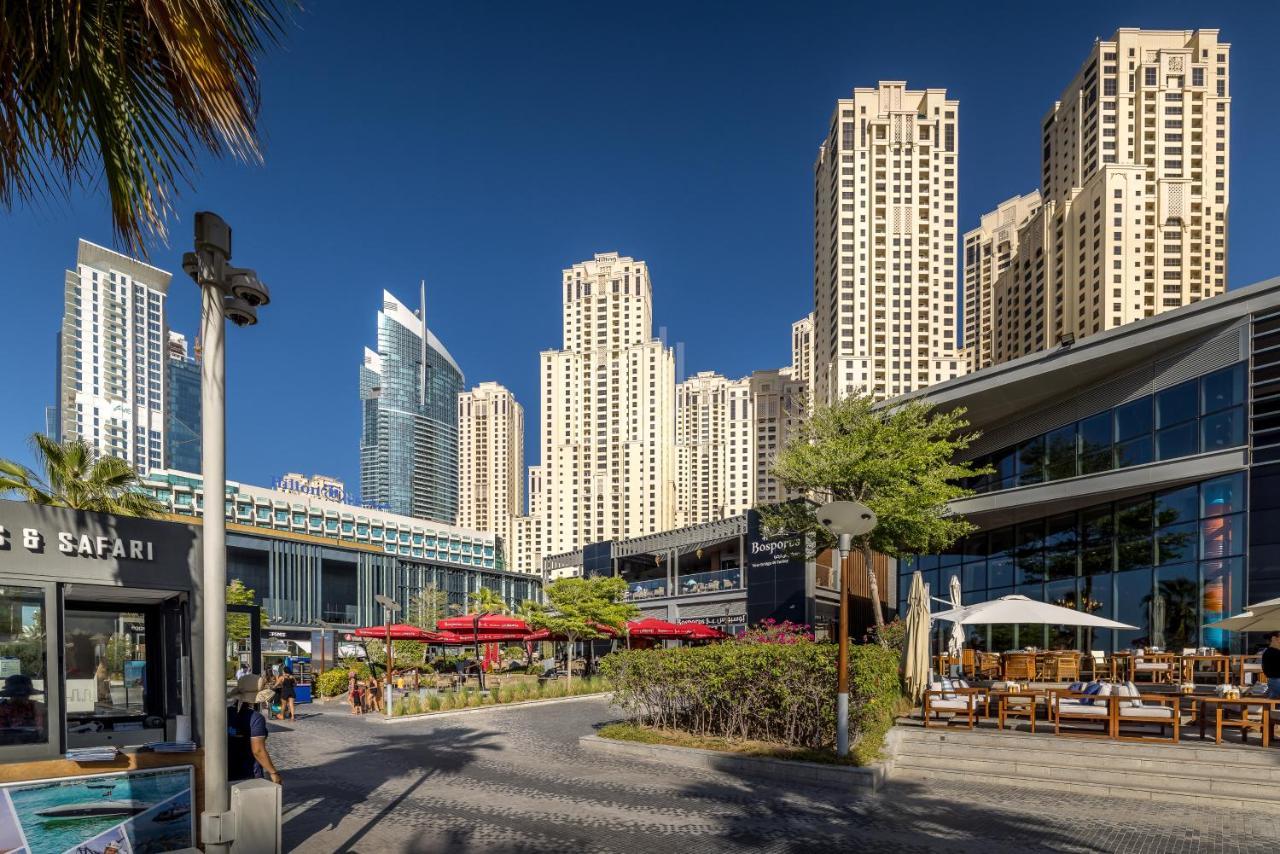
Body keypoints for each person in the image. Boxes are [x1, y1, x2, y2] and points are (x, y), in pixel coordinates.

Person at [227, 674, 282, 785]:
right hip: (249, 773)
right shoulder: (256, 718)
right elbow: (258, 750)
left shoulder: (226, 712)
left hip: (226, 771)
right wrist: (274, 773)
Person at [0, 674, 46, 744]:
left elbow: (43, 733)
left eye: (25, 694)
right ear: (10, 694)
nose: (22, 697)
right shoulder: (2, 709)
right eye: (17, 694)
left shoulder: (36, 706)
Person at [1263, 630, 1280, 700]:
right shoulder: (1272, 652)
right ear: (1273, 638)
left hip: (1274, 682)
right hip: (1276, 681)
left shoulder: (1268, 652)